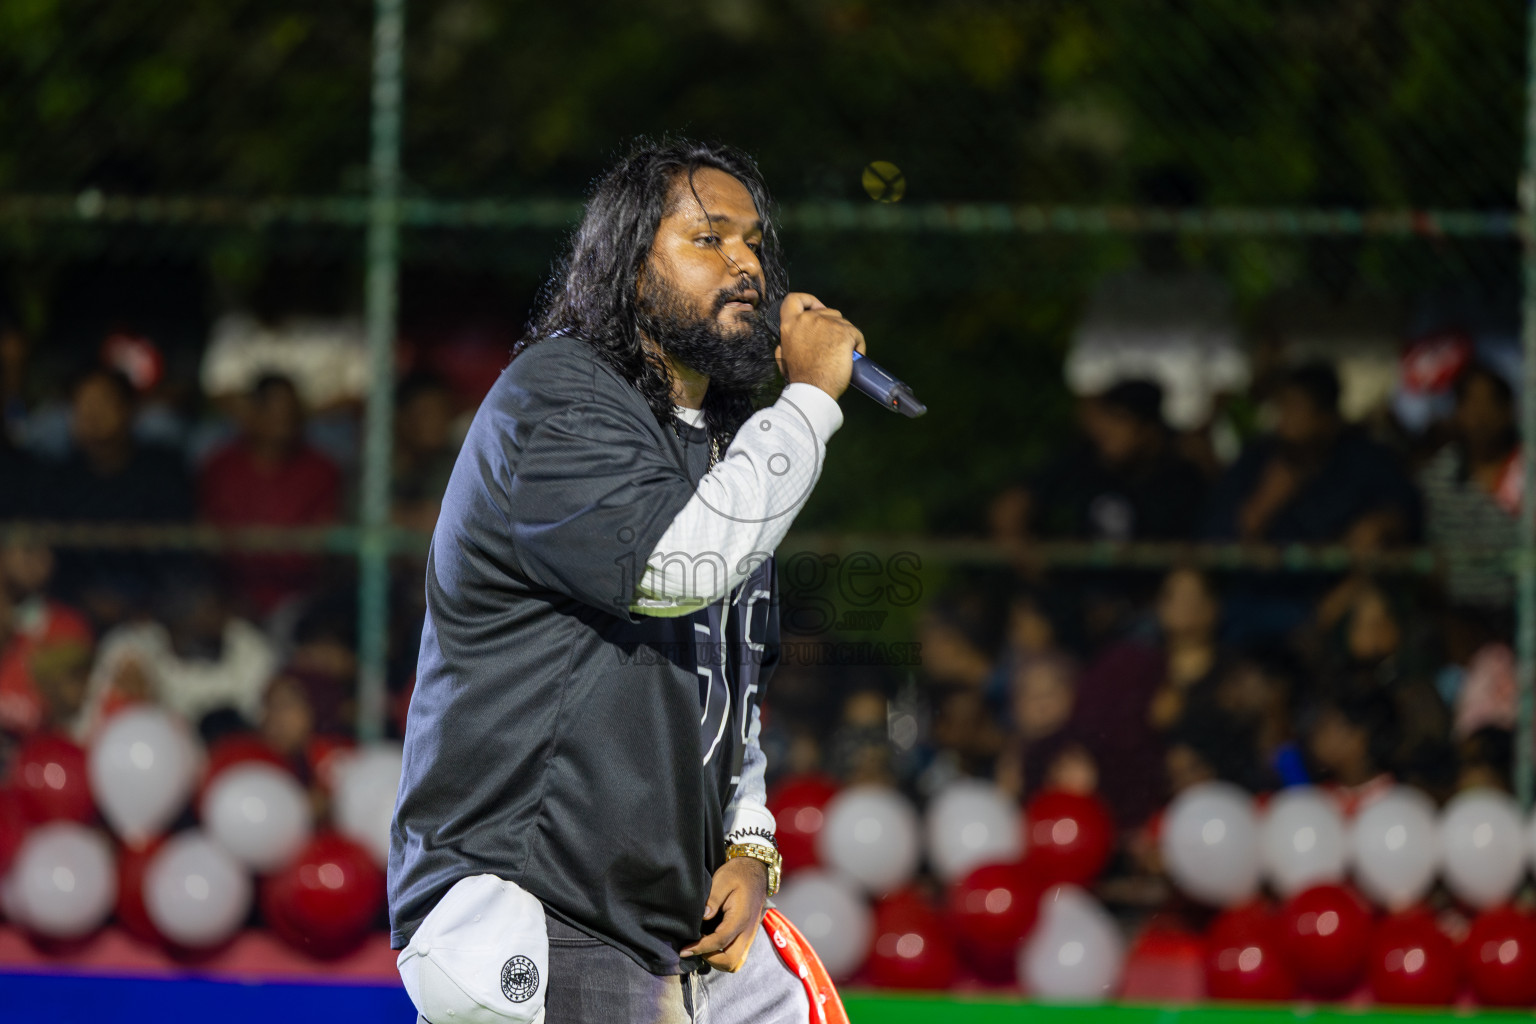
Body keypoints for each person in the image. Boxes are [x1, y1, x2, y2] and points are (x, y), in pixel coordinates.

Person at [389, 141, 863, 1024]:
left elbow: (727, 673)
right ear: (630, 270)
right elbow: (679, 565)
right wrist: (808, 405)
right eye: (708, 239)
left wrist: (747, 844)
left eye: (754, 243)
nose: (747, 265)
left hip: (660, 928)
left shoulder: (718, 443)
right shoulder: (559, 398)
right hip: (537, 908)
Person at [32, 365, 193, 627]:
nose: (92, 414)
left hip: (158, 603)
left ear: (129, 409)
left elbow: (179, 550)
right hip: (84, 605)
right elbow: (59, 563)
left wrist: (147, 604)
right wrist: (87, 598)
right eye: (82, 404)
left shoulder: (164, 469)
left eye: (103, 402)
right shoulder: (59, 481)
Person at [198, 373, 342, 616]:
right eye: (273, 410)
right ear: (253, 414)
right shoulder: (221, 465)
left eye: (289, 411)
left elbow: (320, 545)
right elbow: (207, 538)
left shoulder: (322, 470)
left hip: (300, 599)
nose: (282, 420)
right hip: (228, 596)